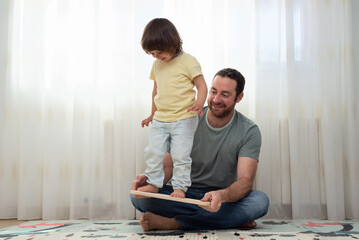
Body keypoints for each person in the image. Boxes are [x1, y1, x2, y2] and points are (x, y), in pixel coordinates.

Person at [131, 68, 269, 231]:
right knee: (139, 197)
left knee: (259, 202)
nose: (216, 99)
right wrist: (150, 180)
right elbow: (168, 166)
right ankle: (228, 219)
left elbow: (245, 182)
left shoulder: (249, 131)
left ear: (239, 97)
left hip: (222, 198)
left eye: (225, 95)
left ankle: (175, 223)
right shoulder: (186, 120)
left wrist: (221, 195)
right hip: (184, 195)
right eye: (213, 91)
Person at [138, 18, 208, 198]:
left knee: (180, 156)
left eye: (159, 51)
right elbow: (156, 90)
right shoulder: (157, 65)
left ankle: (180, 187)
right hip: (161, 117)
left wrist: (199, 104)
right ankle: (154, 183)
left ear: (171, 42)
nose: (155, 56)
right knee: (153, 152)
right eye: (151, 53)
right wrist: (152, 114)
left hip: (184, 117)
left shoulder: (188, 61)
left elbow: (202, 86)